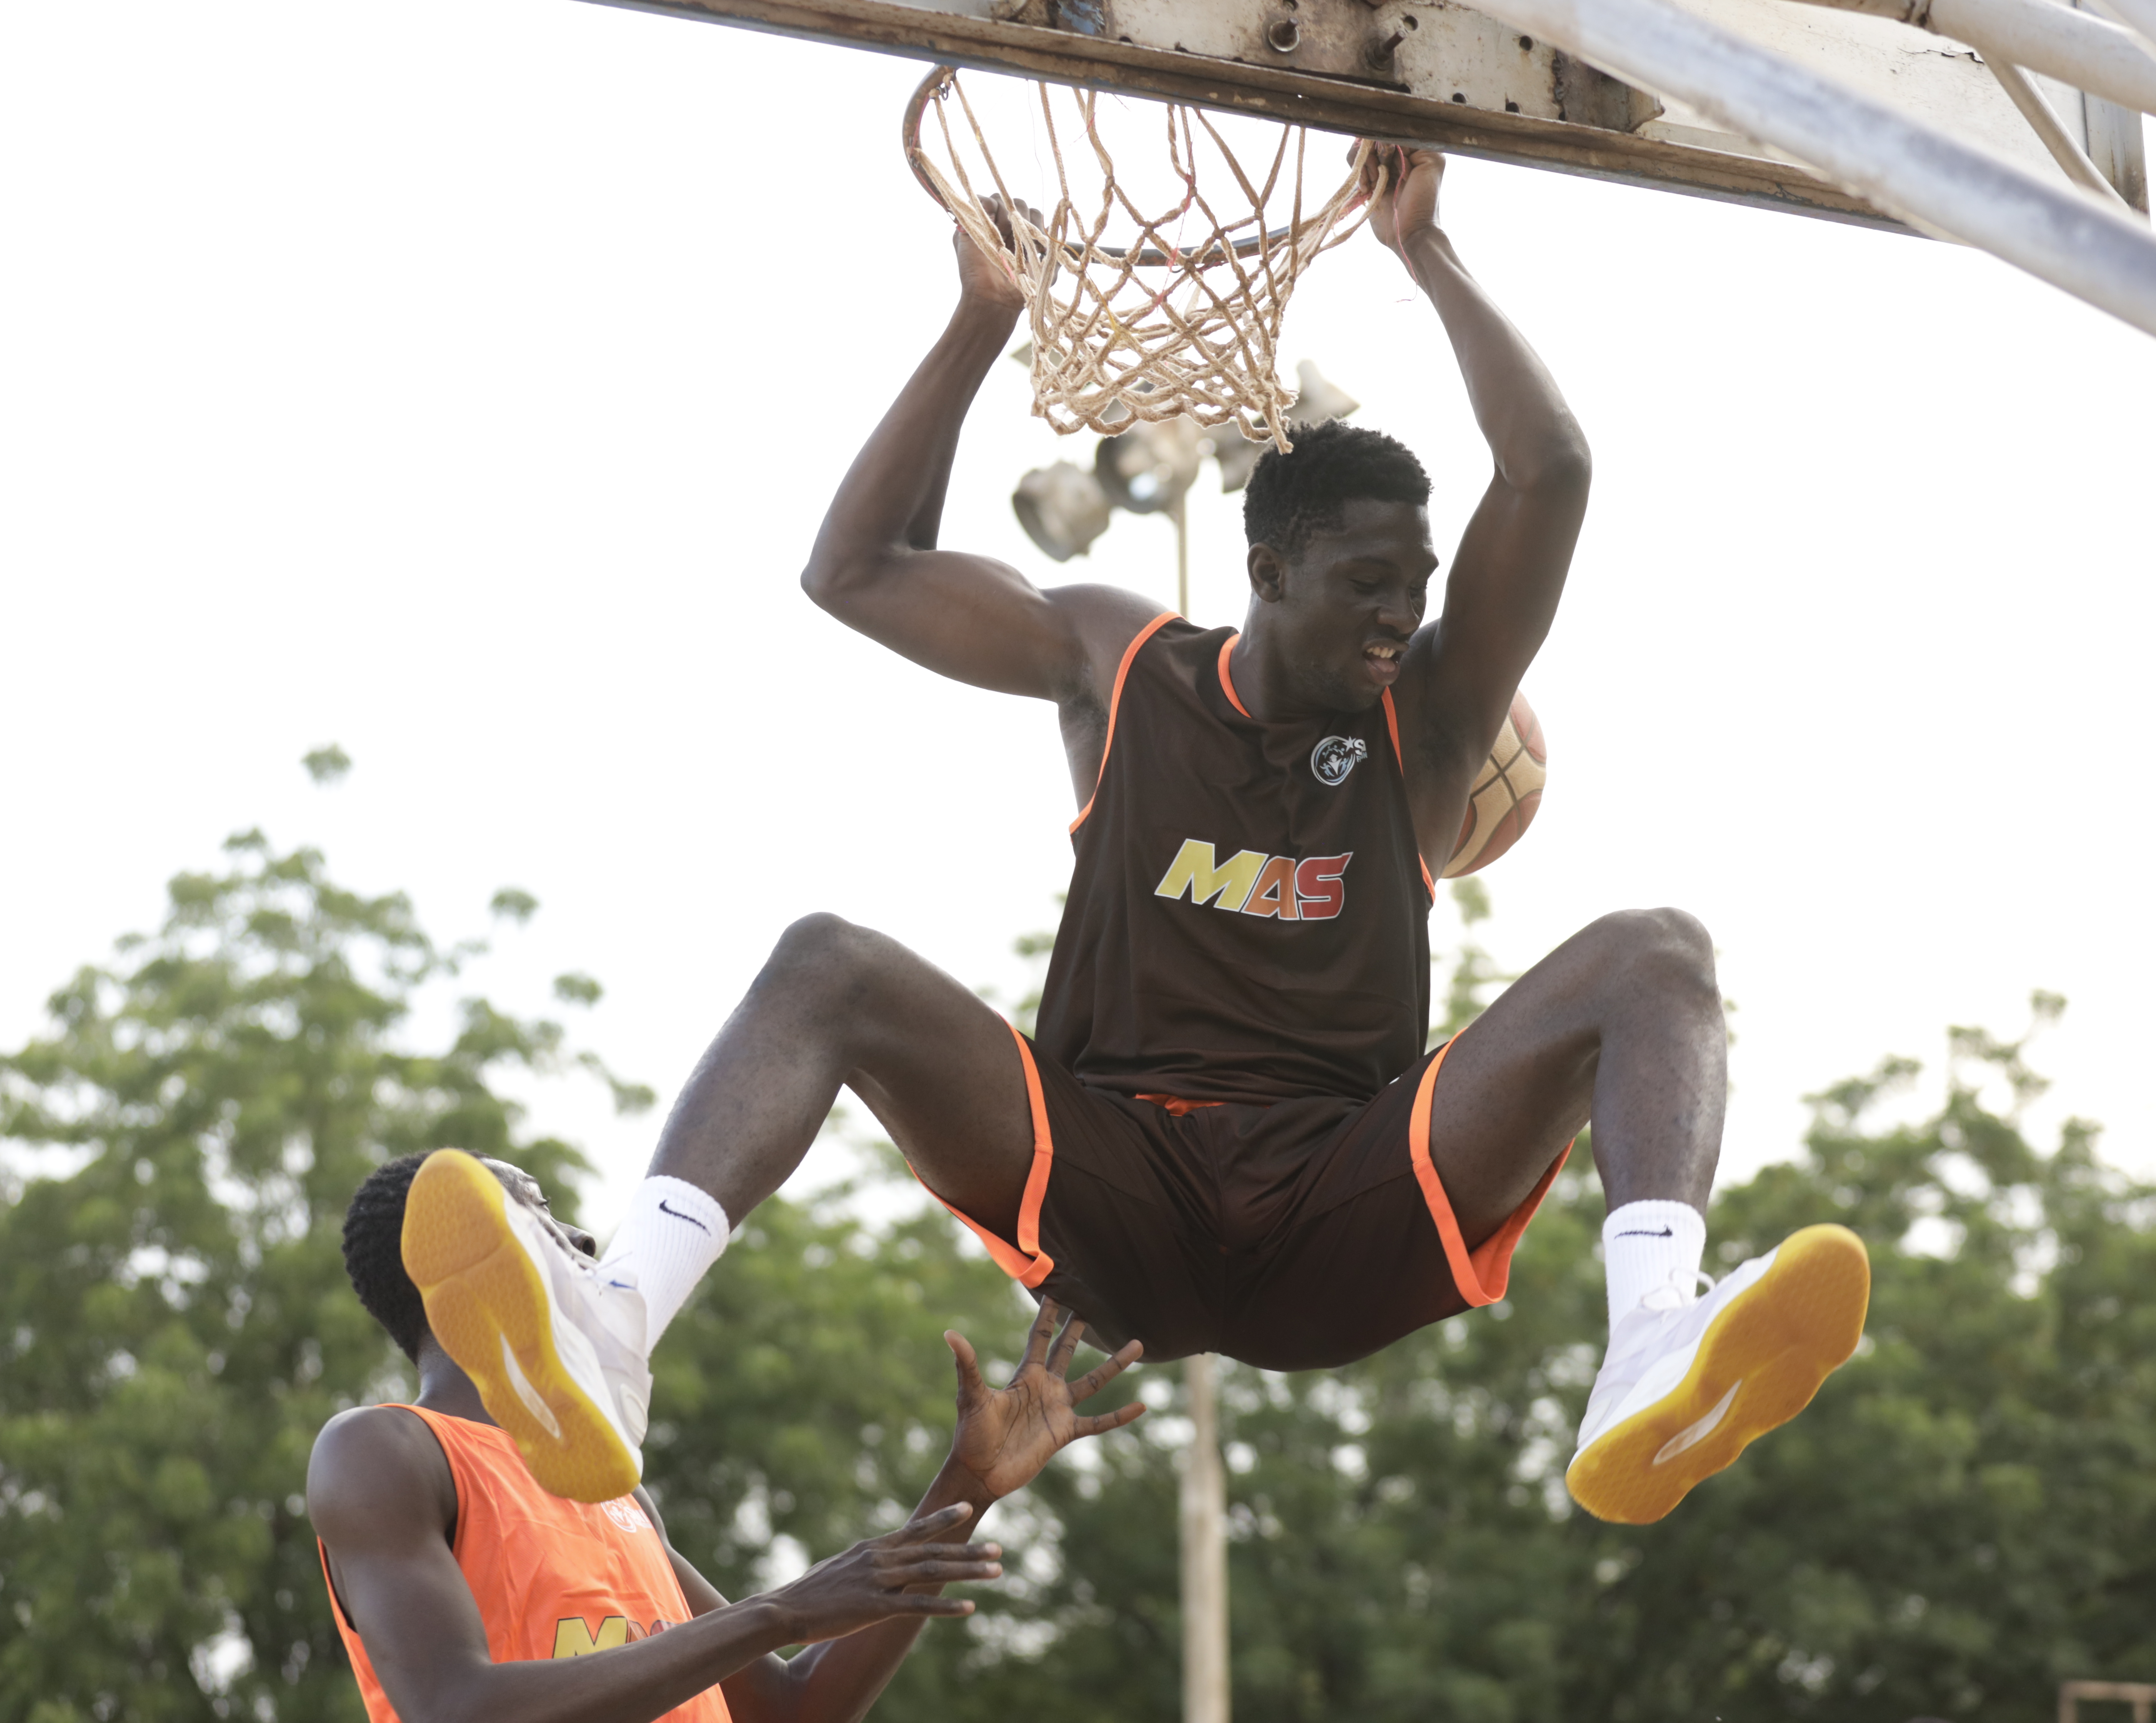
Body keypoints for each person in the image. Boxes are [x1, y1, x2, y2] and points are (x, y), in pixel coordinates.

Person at [402, 143, 1869, 1527]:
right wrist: (982, 319)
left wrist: (1429, 250)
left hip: (1347, 1199)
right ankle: (617, 1328)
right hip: (1119, 1196)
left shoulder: (1430, 710)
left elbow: (1551, 468)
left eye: (1413, 582)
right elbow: (853, 570)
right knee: (826, 963)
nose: (1397, 613)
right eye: (1364, 580)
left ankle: (1649, 1349)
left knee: (1657, 956)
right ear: (1268, 569)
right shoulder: (1122, 664)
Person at [313, 1150, 1144, 1723]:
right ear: (454, 1262)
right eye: (534, 1213)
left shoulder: (612, 1490)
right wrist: (778, 1610)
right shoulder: (383, 1450)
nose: (586, 1242)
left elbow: (792, 1709)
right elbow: (458, 1708)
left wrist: (966, 1485)